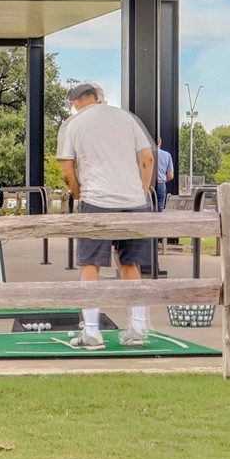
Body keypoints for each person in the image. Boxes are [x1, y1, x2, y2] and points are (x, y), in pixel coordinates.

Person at [55, 81, 159, 349]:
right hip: (134, 202)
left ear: (74, 102)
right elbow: (147, 158)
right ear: (99, 98)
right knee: (130, 265)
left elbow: (67, 168)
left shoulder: (74, 124)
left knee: (90, 265)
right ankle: (138, 328)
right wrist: (141, 191)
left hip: (97, 201)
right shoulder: (126, 118)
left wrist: (78, 193)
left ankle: (91, 332)